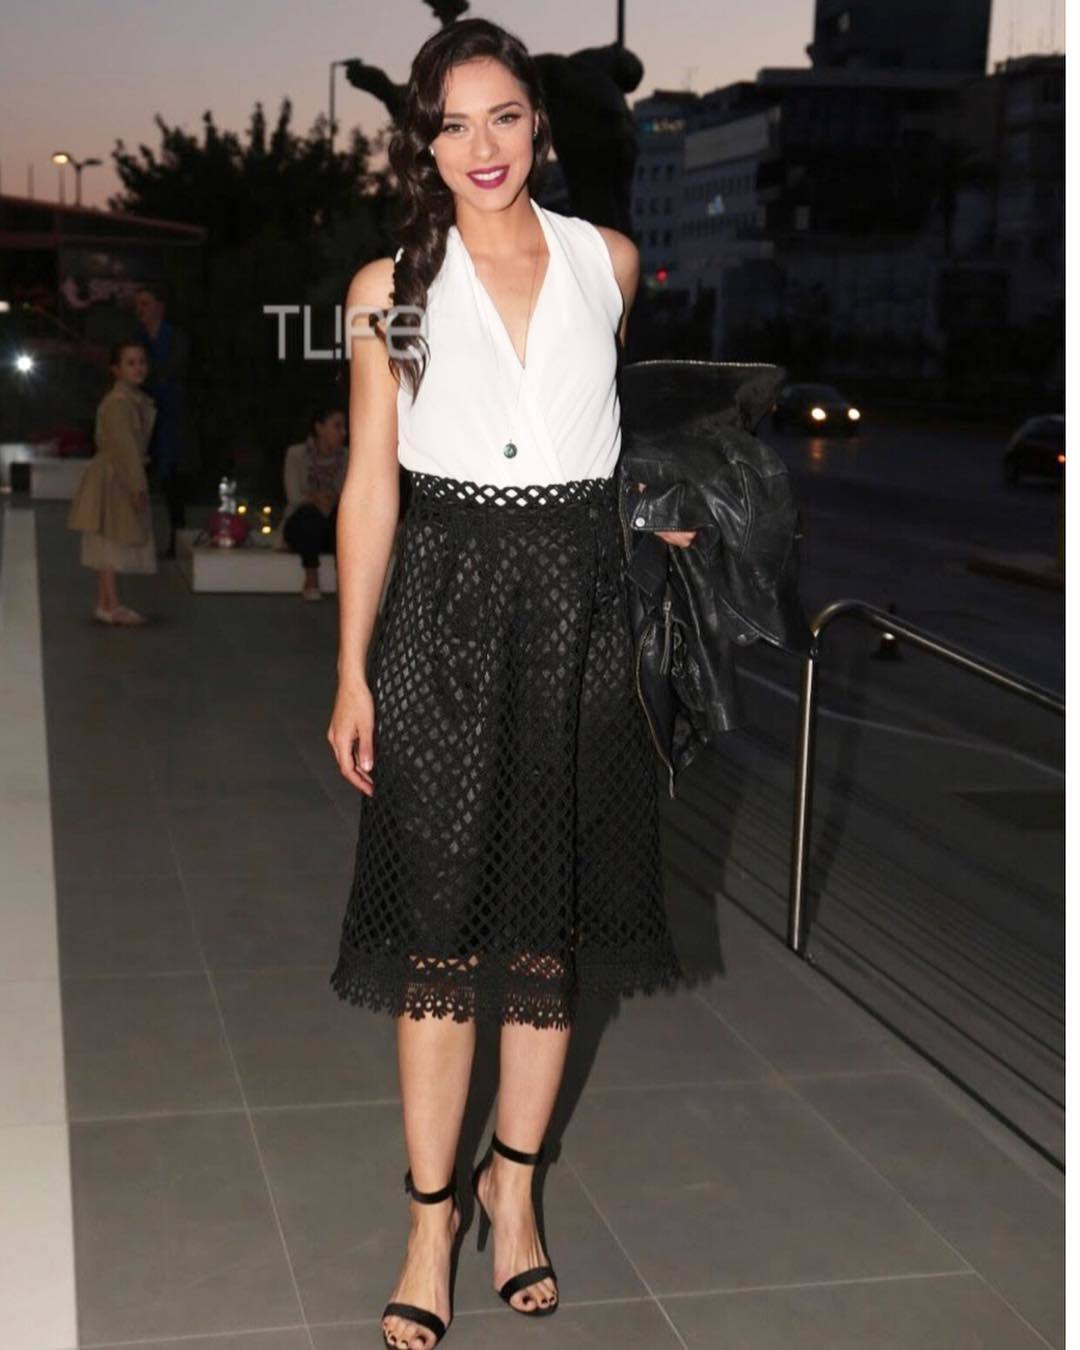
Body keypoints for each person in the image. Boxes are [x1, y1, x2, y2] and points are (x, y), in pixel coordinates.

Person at [325, 20, 695, 1350]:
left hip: (582, 615)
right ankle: (431, 1222)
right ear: (422, 142)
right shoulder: (390, 286)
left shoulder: (609, 261)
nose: (479, 147)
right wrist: (352, 668)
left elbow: (598, 434)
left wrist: (653, 514)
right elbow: (372, 484)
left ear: (539, 122)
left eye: (503, 116)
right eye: (451, 123)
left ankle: (515, 1194)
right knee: (439, 938)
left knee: (546, 937)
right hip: (442, 609)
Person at [66, 341, 158, 625]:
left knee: (106, 539)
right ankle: (111, 604)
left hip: (114, 473)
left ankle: (107, 603)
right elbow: (125, 448)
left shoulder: (130, 400)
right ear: (116, 369)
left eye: (141, 362)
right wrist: (137, 487)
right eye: (130, 363)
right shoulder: (119, 403)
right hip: (114, 477)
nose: (138, 368)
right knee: (109, 540)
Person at [134, 283, 197, 559]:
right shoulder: (138, 340)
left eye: (145, 304)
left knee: (174, 482)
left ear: (159, 306)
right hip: (147, 417)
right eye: (138, 305)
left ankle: (176, 538)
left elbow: (174, 370)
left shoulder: (176, 338)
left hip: (172, 419)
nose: (140, 310)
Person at [281, 405, 348, 600]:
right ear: (319, 428)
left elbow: (351, 496)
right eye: (337, 426)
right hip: (302, 527)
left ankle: (345, 581)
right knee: (309, 515)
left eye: (344, 427)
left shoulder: (348, 457)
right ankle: (311, 578)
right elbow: (294, 497)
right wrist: (318, 498)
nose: (344, 433)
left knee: (343, 517)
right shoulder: (296, 454)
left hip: (332, 529)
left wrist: (331, 499)